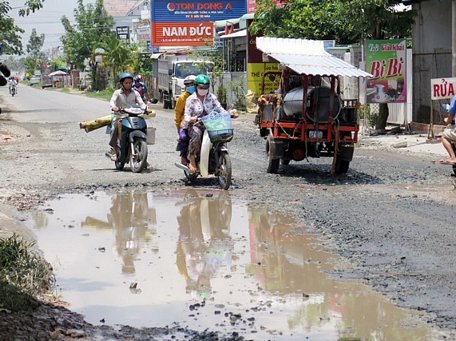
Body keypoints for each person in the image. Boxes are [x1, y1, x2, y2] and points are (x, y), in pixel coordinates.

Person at [183, 74, 224, 173]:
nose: (203, 89)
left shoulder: (211, 97)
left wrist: (229, 114)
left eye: (206, 87)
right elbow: (186, 115)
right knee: (196, 135)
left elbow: (219, 108)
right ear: (196, 87)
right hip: (196, 125)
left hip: (211, 124)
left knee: (221, 135)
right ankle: (192, 158)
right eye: (201, 87)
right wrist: (191, 119)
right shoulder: (191, 99)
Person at [108, 72, 147, 161]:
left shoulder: (135, 93)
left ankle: (142, 152)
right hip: (120, 116)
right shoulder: (117, 92)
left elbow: (141, 103)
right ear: (122, 83)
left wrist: (146, 109)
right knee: (115, 128)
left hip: (133, 115)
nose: (128, 85)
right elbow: (112, 101)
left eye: (130, 83)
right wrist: (114, 107)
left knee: (142, 127)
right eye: (126, 83)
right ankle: (114, 150)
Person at [175, 75, 196, 166]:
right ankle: (183, 156)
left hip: (200, 122)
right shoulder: (182, 98)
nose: (190, 86)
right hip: (186, 123)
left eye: (192, 84)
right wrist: (179, 127)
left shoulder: (202, 95)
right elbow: (178, 113)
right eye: (188, 85)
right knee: (183, 137)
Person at [440, 96, 456, 165]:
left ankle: (453, 158)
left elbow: (450, 116)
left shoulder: (455, 98)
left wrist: (447, 120)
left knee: (444, 136)